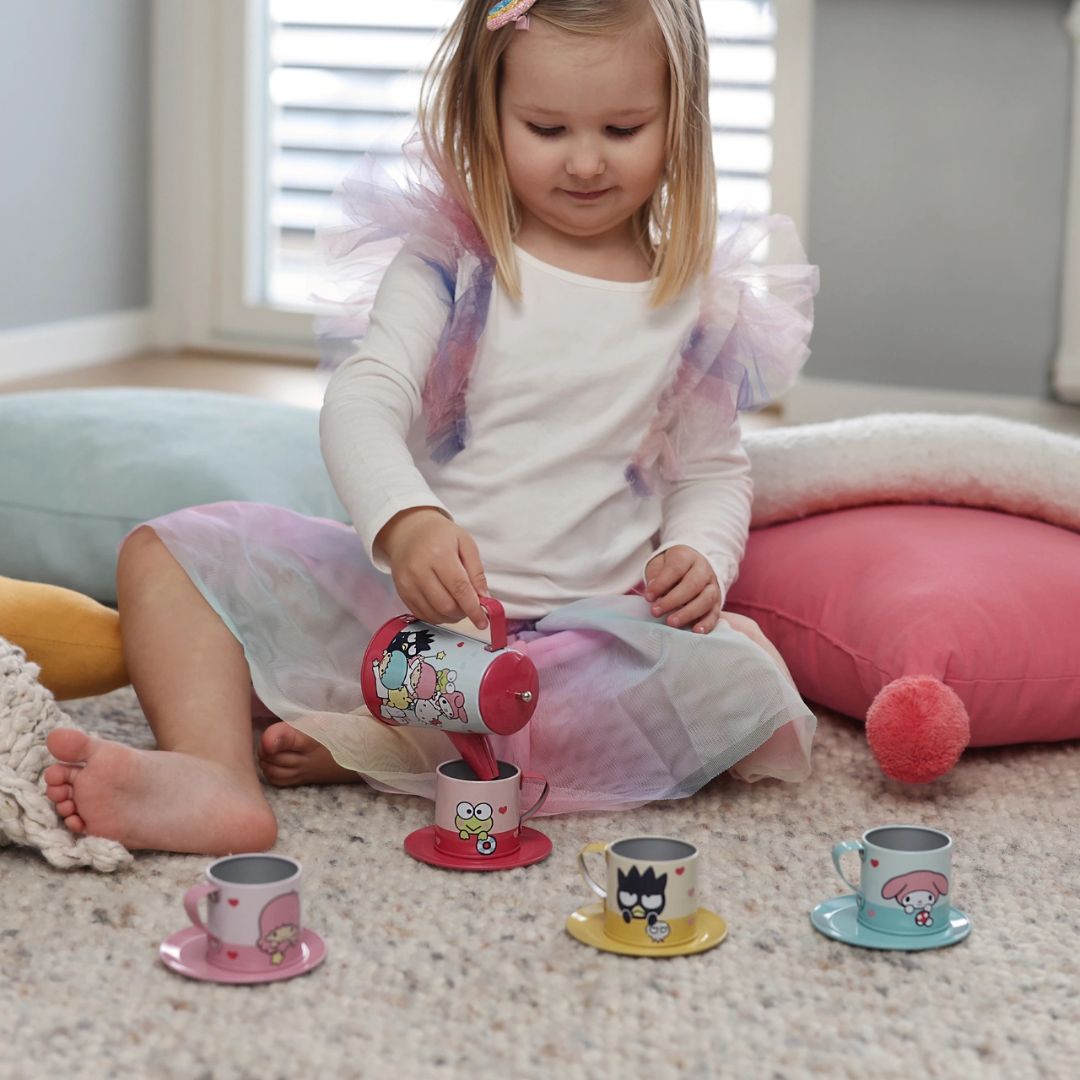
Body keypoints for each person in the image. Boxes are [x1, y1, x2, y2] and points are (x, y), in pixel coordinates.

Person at [44, 0, 819, 855]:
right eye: (547, 128)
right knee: (163, 554)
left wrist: (701, 556)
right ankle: (214, 772)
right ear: (486, 113)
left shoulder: (699, 302)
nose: (585, 161)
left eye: (623, 129)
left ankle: (396, 740)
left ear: (681, 118)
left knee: (735, 677)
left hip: (581, 643)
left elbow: (712, 470)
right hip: (405, 618)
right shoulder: (452, 263)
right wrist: (407, 520)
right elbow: (364, 397)